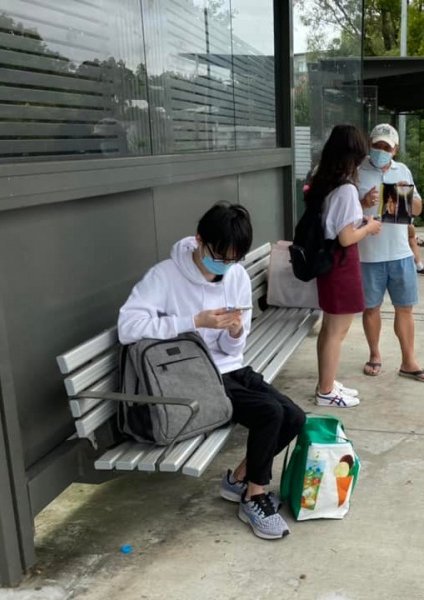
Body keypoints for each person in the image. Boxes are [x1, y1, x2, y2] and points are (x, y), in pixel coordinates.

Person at [117, 202, 304, 541]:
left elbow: (233, 351)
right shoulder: (165, 276)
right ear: (199, 240)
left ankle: (238, 481)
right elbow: (128, 327)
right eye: (220, 256)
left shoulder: (236, 276)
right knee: (270, 413)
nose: (225, 266)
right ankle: (254, 497)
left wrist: (235, 332)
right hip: (190, 374)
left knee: (295, 416)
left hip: (230, 368)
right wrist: (193, 322)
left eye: (234, 259)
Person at [356, 123, 424, 383]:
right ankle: (374, 354)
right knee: (371, 308)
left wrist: (406, 195)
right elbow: (344, 211)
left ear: (395, 149)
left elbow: (418, 209)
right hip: (368, 255)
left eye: (386, 147)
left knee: (405, 309)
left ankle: (408, 361)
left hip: (401, 253)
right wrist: (362, 203)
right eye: (377, 145)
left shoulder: (402, 170)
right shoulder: (357, 172)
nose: (381, 151)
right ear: (369, 144)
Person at [308, 124, 382, 407]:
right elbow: (346, 236)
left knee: (329, 328)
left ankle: (325, 383)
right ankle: (327, 392)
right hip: (341, 263)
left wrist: (359, 219)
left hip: (329, 262)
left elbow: (335, 223)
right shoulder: (346, 188)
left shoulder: (324, 180)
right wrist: (369, 226)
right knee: (337, 332)